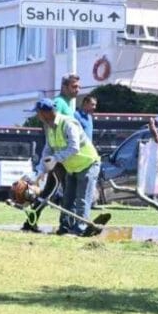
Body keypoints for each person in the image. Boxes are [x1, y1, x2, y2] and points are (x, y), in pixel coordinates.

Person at [31, 98, 101, 235]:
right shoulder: (49, 127)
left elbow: (74, 147)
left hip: (88, 164)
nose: (37, 116)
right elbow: (48, 149)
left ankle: (81, 228)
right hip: (72, 168)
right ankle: (65, 227)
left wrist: (56, 159)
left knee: (82, 199)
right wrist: (41, 170)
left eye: (38, 113)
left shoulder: (68, 123)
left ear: (46, 113)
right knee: (67, 199)